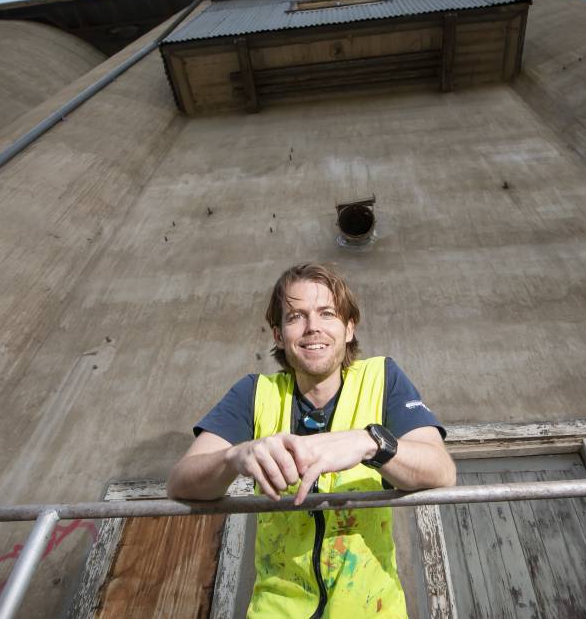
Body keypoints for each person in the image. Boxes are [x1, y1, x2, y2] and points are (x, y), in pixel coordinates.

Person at [168, 262, 456, 618]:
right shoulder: (254, 392)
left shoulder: (383, 377)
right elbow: (181, 482)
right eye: (296, 317)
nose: (313, 327)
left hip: (371, 610)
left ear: (349, 328)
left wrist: (372, 442)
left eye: (327, 313)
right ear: (278, 335)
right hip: (276, 610)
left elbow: (441, 469)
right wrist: (233, 457)